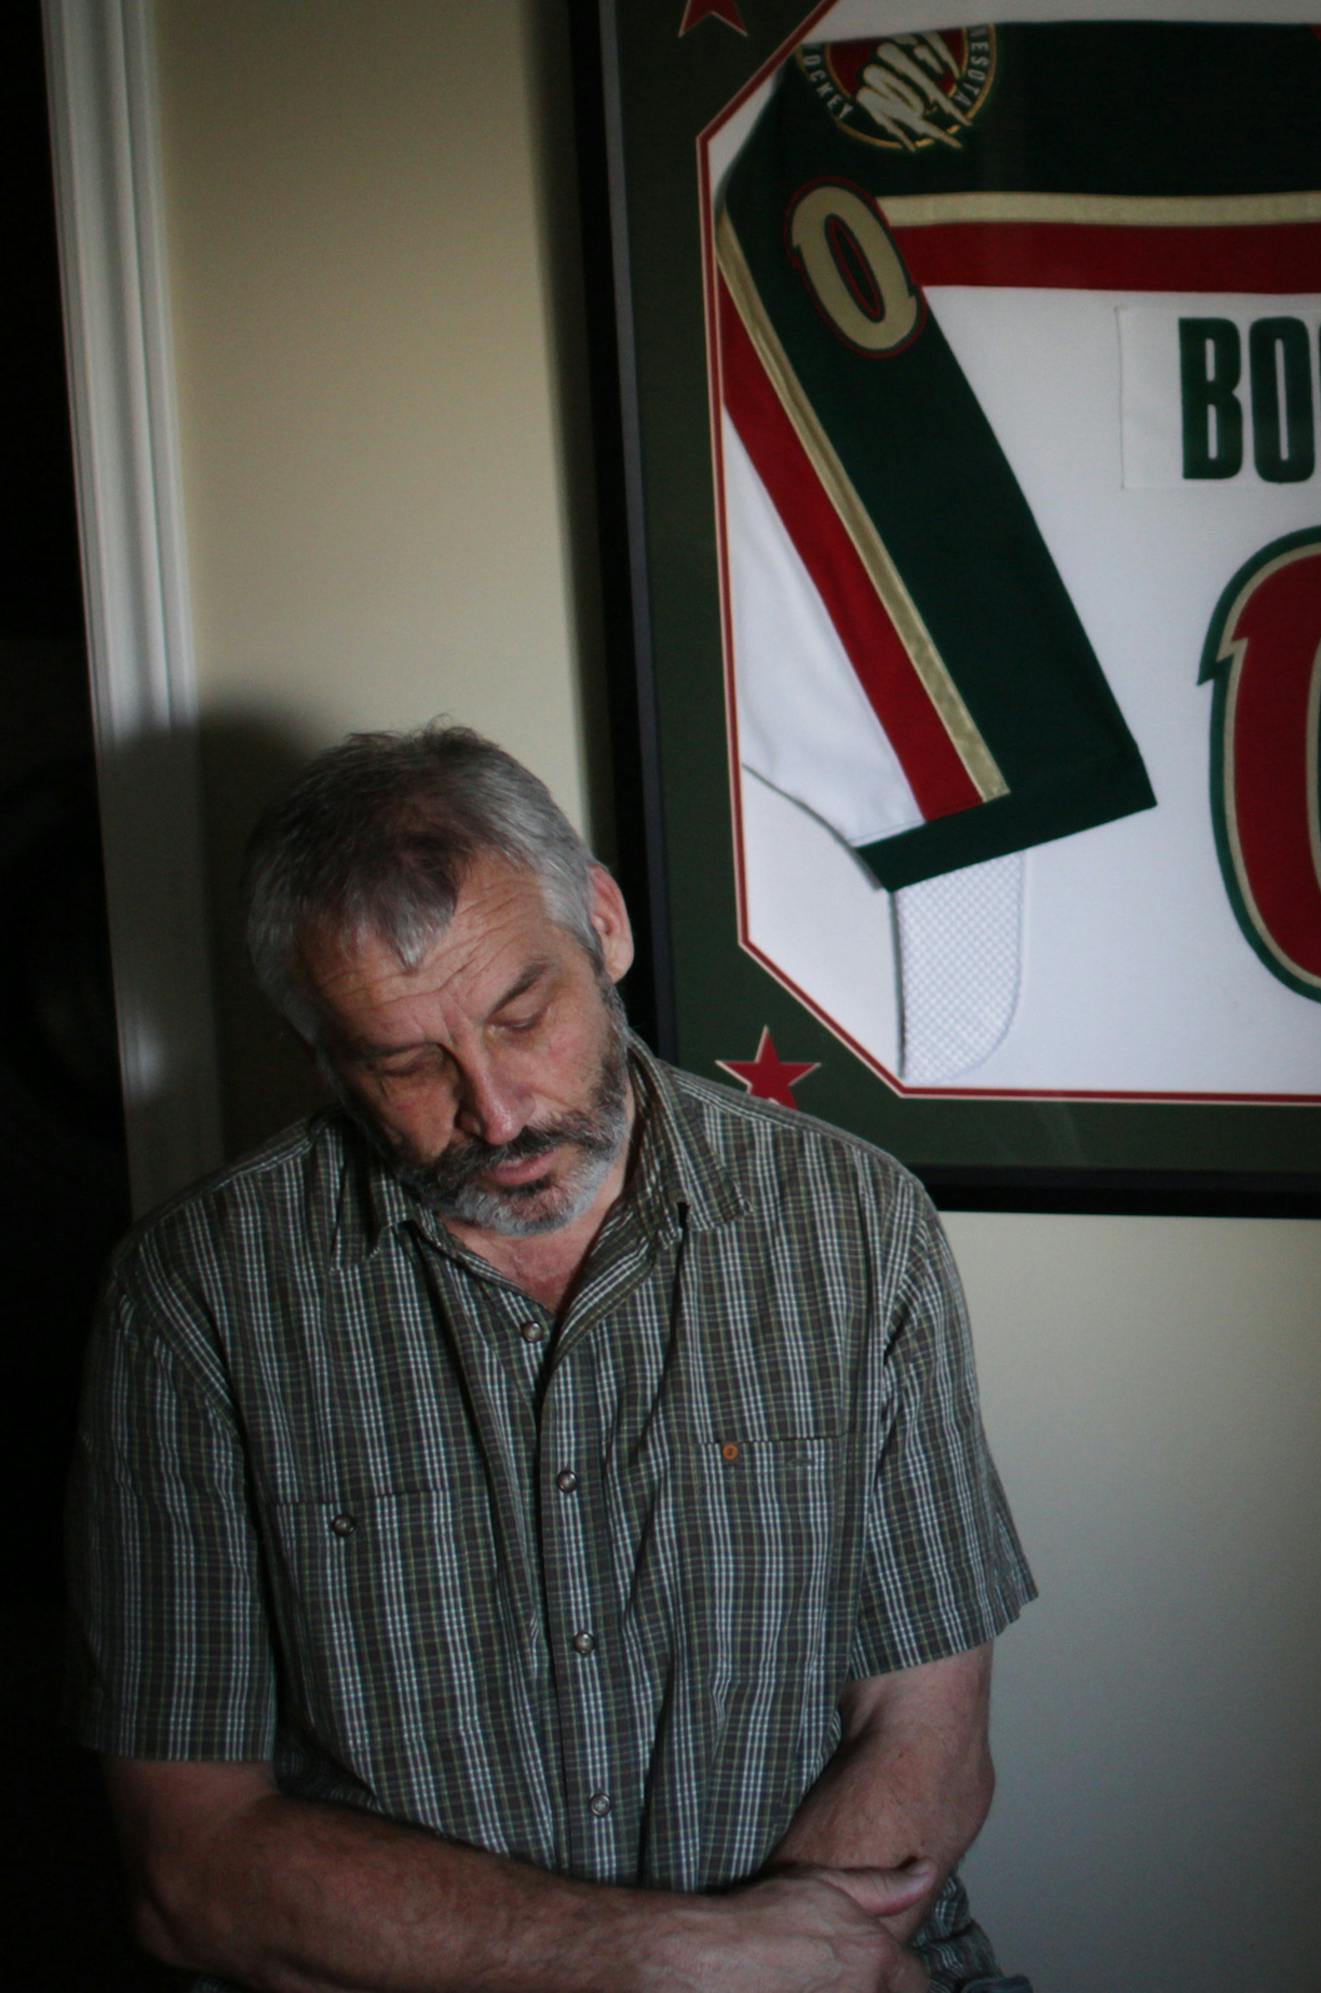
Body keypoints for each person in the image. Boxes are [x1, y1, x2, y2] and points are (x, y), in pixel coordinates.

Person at [67, 724, 1035, 1993]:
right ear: (321, 1060)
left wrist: (794, 1973)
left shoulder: (855, 1225)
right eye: (407, 1063)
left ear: (605, 924)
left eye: (525, 1015)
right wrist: (654, 1964)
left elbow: (926, 1732)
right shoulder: (195, 1300)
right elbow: (189, 1866)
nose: (500, 1109)